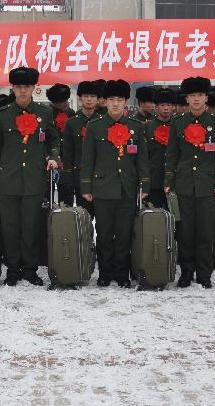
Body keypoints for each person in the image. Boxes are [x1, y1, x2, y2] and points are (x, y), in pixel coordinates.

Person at [0, 66, 60, 287]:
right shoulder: (2, 115)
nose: (22, 90)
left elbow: (53, 140)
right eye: (18, 86)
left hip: (34, 178)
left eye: (26, 86)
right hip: (8, 179)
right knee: (10, 227)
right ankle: (13, 269)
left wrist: (53, 156)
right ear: (13, 88)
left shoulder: (45, 113)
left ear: (34, 88)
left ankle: (30, 269)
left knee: (30, 226)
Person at [81, 80, 149, 287]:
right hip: (102, 189)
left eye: (120, 100)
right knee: (103, 234)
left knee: (124, 234)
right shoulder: (95, 126)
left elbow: (142, 160)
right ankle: (105, 273)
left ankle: (121, 273)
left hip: (127, 188)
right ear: (105, 101)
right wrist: (86, 187)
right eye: (111, 100)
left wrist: (144, 186)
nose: (116, 104)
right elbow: (87, 159)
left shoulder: (136, 127)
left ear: (126, 102)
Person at [164, 77, 215, 289]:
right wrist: (169, 181)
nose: (196, 99)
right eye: (192, 96)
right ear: (187, 99)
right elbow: (172, 155)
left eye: (199, 95)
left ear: (206, 97)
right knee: (185, 232)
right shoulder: (177, 122)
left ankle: (204, 273)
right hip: (183, 185)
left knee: (205, 233)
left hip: (207, 185)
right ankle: (186, 272)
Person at [60, 80, 102, 212]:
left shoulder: (103, 122)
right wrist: (68, 178)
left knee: (103, 220)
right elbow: (67, 153)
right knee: (83, 218)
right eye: (86, 96)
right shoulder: (72, 123)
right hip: (79, 177)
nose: (89, 100)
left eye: (92, 96)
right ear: (80, 99)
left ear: (98, 99)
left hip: (101, 178)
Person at [144, 87, 177, 211]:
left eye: (169, 105)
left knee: (176, 217)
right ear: (156, 107)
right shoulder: (147, 127)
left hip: (175, 181)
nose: (166, 108)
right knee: (154, 218)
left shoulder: (178, 125)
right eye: (162, 105)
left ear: (173, 107)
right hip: (154, 180)